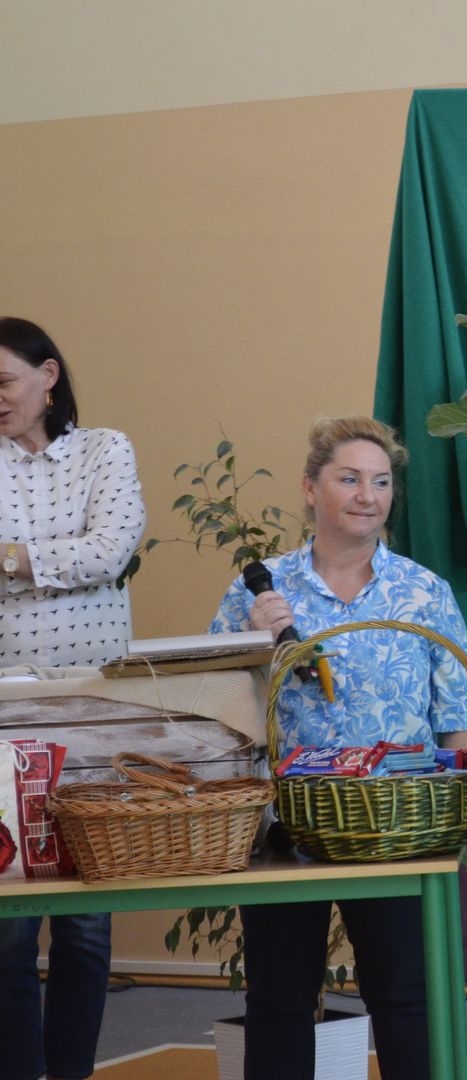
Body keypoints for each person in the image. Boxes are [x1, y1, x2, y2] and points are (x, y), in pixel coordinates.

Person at [208, 415, 467, 1080]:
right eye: (350, 478)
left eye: (381, 482)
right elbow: (214, 713)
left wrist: (450, 825)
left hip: (399, 827)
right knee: (278, 1001)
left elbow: (460, 716)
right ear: (310, 488)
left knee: (407, 998)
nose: (368, 495)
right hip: (286, 830)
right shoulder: (260, 590)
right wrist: (253, 643)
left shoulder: (423, 592)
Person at [0, 315, 145, 1080]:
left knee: (86, 923)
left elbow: (111, 550)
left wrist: (12, 560)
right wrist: (57, 559)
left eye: (4, 382)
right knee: (8, 926)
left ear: (48, 377)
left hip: (95, 709)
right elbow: (83, 554)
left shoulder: (104, 450)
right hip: (6, 713)